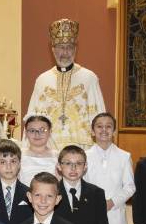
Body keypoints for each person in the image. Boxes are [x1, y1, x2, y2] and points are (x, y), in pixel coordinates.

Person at [27, 18, 105, 149]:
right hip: (48, 150)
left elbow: (100, 118)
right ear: (52, 49)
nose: (65, 52)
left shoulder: (89, 78)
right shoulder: (42, 80)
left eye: (69, 47)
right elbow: (32, 119)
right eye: (60, 47)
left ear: (75, 49)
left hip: (82, 150)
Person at [20, 115, 59, 186]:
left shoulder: (58, 156)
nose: (37, 134)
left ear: (50, 132)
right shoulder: (18, 155)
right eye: (32, 130)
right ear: (26, 133)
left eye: (42, 130)